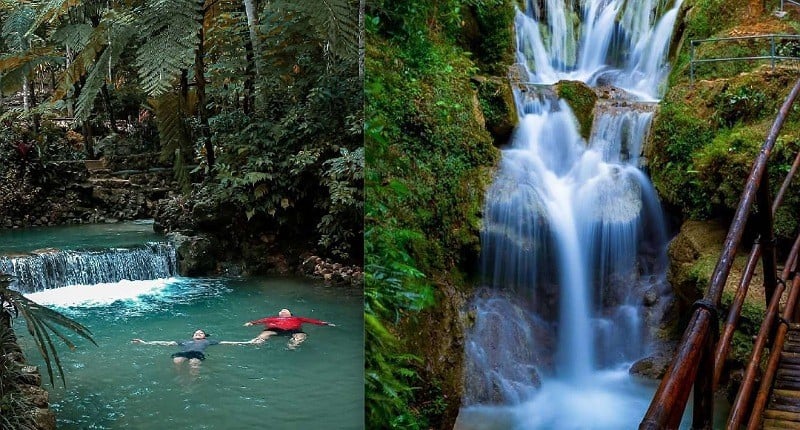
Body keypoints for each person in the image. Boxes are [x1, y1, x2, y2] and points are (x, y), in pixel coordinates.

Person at [131, 329, 255, 367]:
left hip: (197, 353)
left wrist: (248, 342)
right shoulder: (184, 341)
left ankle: (192, 382)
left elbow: (227, 342)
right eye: (196, 333)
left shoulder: (208, 341)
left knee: (194, 364)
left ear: (204, 336)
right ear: (192, 336)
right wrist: (145, 342)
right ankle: (180, 379)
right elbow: (165, 343)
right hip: (183, 353)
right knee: (177, 362)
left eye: (201, 333)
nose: (198, 334)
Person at [243, 308, 335, 349]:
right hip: (276, 329)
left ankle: (293, 345)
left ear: (290, 314)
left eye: (285, 311)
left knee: (301, 335)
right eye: (281, 311)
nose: (282, 311)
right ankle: (258, 341)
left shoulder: (297, 318)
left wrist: (325, 323)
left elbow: (311, 321)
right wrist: (251, 323)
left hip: (293, 330)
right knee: (266, 333)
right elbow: (263, 320)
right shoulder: (274, 318)